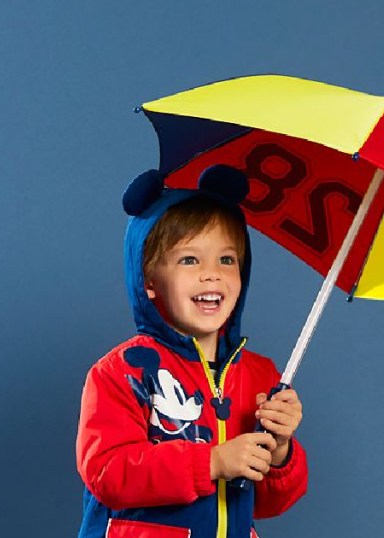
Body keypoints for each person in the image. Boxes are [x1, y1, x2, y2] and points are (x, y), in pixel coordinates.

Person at [76, 165, 308, 538]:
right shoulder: (122, 371)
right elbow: (108, 472)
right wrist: (212, 462)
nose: (211, 274)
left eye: (226, 260)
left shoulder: (261, 375)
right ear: (149, 279)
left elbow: (268, 503)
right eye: (189, 259)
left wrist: (279, 450)